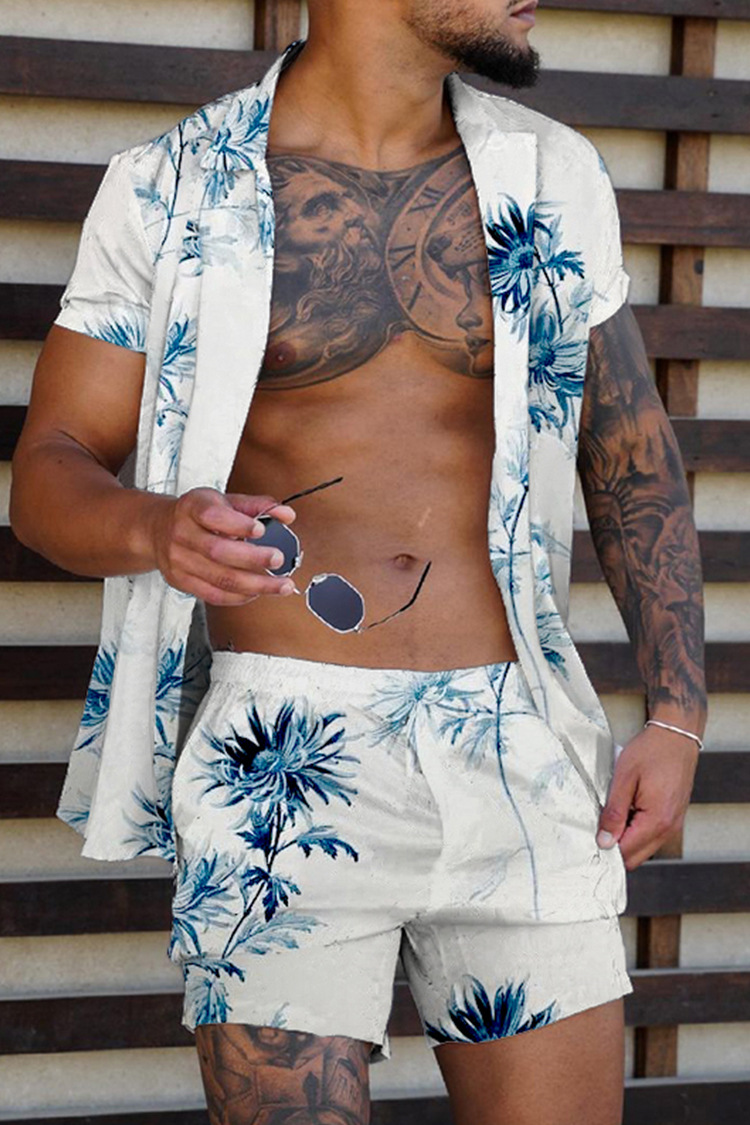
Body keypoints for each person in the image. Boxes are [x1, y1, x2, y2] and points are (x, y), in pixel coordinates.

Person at [10, 1, 707, 1122]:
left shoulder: (550, 173)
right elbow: (48, 468)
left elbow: (629, 455)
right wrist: (154, 529)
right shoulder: (174, 187)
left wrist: (677, 714)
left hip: (518, 745)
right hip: (284, 762)